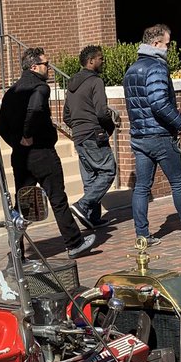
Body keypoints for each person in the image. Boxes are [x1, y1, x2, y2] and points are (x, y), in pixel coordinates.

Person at [0, 47, 97, 258]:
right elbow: (35, 109)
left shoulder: (11, 92)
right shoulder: (40, 88)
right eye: (46, 64)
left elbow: (0, 127)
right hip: (42, 154)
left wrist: (16, 143)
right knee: (57, 199)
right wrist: (26, 135)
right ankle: (74, 242)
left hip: (21, 157)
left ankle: (17, 251)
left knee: (23, 204)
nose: (49, 68)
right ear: (34, 67)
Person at [122, 24, 181, 243]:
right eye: (167, 44)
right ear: (155, 44)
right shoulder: (157, 68)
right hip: (160, 136)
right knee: (179, 183)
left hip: (139, 137)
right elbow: (159, 103)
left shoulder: (131, 70)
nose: (168, 48)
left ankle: (142, 235)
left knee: (142, 187)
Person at [63, 44, 117, 232]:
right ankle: (83, 205)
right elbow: (102, 112)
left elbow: (66, 117)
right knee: (108, 171)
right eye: (101, 58)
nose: (104, 61)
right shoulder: (96, 82)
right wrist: (110, 127)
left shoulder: (71, 85)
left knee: (91, 177)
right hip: (95, 134)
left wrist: (79, 128)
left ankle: (93, 218)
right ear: (91, 61)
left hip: (79, 136)